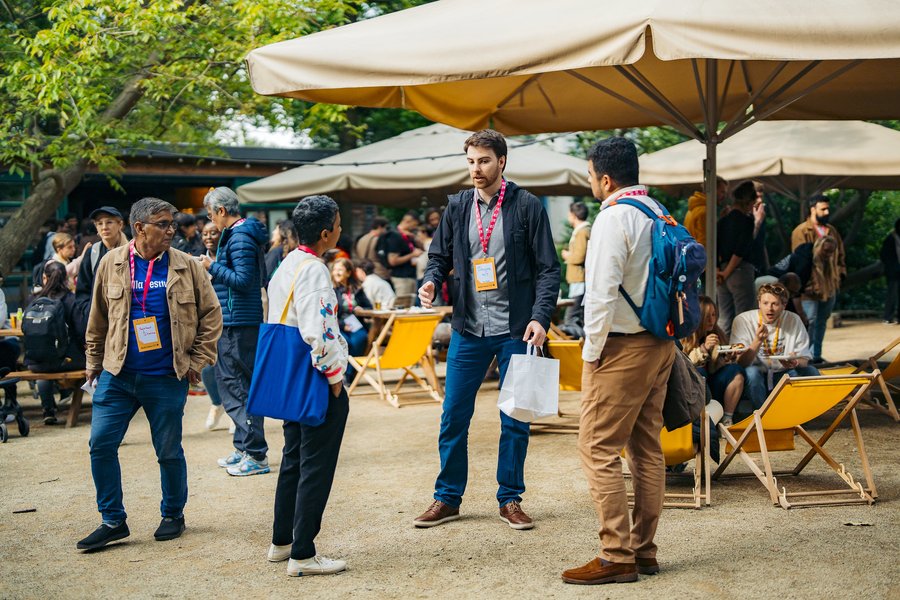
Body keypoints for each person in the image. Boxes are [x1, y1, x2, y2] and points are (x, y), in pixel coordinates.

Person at [415, 129, 560, 531]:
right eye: (470, 162)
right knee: (453, 416)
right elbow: (438, 256)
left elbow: (549, 269)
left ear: (502, 162)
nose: (475, 169)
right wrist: (430, 280)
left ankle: (510, 498)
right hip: (468, 327)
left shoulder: (527, 206)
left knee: (515, 418)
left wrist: (540, 317)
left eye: (483, 161)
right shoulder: (458, 206)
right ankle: (447, 498)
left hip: (516, 328)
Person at [77, 197, 222, 551]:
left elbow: (212, 315)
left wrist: (195, 362)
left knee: (168, 450)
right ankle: (113, 520)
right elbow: (97, 319)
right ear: (140, 228)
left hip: (166, 375)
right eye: (163, 224)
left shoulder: (187, 266)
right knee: (100, 444)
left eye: (172, 223)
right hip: (117, 374)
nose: (172, 229)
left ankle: (173, 514)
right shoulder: (111, 263)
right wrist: (94, 364)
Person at [562, 137, 675, 586]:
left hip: (623, 348)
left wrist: (591, 356)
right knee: (647, 448)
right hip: (661, 344)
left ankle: (616, 554)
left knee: (598, 448)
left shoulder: (613, 218)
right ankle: (643, 551)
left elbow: (601, 295)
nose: (591, 183)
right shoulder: (657, 211)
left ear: (605, 178)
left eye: (590, 176)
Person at [267, 195, 350, 576]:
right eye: (337, 223)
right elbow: (319, 330)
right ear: (324, 232)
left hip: (291, 377)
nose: (340, 228)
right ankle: (303, 552)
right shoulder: (316, 269)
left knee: (294, 459)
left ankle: (282, 541)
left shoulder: (288, 263)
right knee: (316, 465)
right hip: (316, 377)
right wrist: (335, 377)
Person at [200, 187, 270, 477]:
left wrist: (211, 266)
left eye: (210, 215)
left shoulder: (239, 235)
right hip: (237, 319)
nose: (211, 221)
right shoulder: (243, 233)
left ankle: (256, 454)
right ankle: (244, 447)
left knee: (237, 387)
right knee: (233, 385)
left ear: (222, 211)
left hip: (238, 321)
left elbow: (243, 280)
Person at [731, 283, 818, 410]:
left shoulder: (793, 319)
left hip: (783, 372)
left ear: (784, 305)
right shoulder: (743, 320)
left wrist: (795, 362)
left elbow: (804, 360)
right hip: (756, 374)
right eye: (765, 303)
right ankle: (763, 417)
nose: (769, 308)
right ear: (759, 303)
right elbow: (740, 363)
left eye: (775, 304)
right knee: (752, 373)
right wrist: (757, 341)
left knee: (811, 371)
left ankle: (801, 414)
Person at [23, 262, 85, 425]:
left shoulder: (33, 300)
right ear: (66, 278)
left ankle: (48, 409)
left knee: (44, 361)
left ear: (44, 278)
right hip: (66, 361)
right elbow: (81, 332)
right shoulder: (71, 299)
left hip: (35, 363)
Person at [771, 236, 841, 362]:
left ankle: (815, 355)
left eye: (831, 252)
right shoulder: (805, 260)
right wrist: (801, 313)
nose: (828, 254)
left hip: (821, 293)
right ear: (818, 247)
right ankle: (801, 355)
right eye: (825, 251)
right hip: (795, 291)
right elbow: (796, 289)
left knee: (819, 322)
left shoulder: (828, 262)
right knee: (807, 322)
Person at [681, 296, 746, 427]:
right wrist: (704, 349)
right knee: (699, 372)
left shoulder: (717, 333)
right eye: (707, 316)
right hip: (693, 389)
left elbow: (715, 369)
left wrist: (728, 358)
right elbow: (685, 364)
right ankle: (699, 422)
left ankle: (727, 418)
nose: (712, 320)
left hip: (713, 384)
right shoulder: (685, 334)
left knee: (736, 371)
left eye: (714, 315)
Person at [74, 206, 129, 338]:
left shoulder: (133, 251)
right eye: (99, 223)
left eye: (109, 222)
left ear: (120, 224)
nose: (104, 227)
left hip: (127, 319)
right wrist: (89, 311)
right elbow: (82, 288)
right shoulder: (92, 252)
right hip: (99, 322)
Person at [716, 181, 758, 336]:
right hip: (739, 270)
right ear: (749, 201)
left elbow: (715, 246)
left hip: (720, 271)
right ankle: (742, 357)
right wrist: (727, 272)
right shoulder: (747, 221)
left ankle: (722, 357)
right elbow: (741, 250)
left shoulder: (722, 220)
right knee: (744, 316)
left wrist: (718, 271)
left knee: (724, 317)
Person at [200, 221, 225, 431]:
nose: (208, 237)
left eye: (213, 233)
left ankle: (238, 414)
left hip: (229, 317)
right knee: (207, 366)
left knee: (231, 367)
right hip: (207, 320)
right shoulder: (197, 259)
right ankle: (217, 404)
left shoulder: (229, 256)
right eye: (205, 233)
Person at [791, 194, 847, 280]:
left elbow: (841, 254)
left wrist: (841, 273)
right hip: (811, 285)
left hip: (832, 283)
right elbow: (800, 261)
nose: (827, 212)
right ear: (813, 209)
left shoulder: (832, 230)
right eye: (823, 209)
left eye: (828, 209)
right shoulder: (801, 231)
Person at [330, 257, 371, 367]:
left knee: (360, 339)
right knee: (344, 342)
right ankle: (346, 373)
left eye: (340, 270)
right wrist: (343, 325)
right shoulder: (331, 290)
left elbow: (369, 307)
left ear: (348, 273)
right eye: (334, 269)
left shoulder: (357, 289)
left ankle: (352, 372)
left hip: (356, 323)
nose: (336, 273)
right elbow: (328, 314)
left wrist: (361, 309)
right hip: (338, 324)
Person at [561, 201, 591, 335]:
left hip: (579, 278)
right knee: (579, 314)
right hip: (579, 279)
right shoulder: (583, 231)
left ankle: (579, 345)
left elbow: (580, 256)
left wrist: (568, 256)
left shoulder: (582, 232)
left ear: (573, 215)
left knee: (572, 316)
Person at [384, 212, 423, 297]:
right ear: (408, 221)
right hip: (401, 278)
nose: (415, 228)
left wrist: (415, 239)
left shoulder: (407, 235)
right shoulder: (395, 236)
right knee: (402, 306)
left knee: (410, 306)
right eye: (414, 225)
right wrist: (412, 255)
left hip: (410, 276)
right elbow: (393, 261)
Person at [683, 176, 728, 248]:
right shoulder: (705, 211)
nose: (724, 196)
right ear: (713, 189)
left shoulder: (693, 208)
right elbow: (705, 242)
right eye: (722, 192)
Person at [354, 217, 392, 281]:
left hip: (363, 272)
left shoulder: (361, 239)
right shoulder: (378, 240)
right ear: (380, 227)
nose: (386, 231)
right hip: (378, 273)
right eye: (385, 228)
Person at [881, 218, 900, 324]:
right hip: (893, 273)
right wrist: (892, 267)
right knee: (892, 294)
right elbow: (884, 255)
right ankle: (888, 317)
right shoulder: (890, 239)